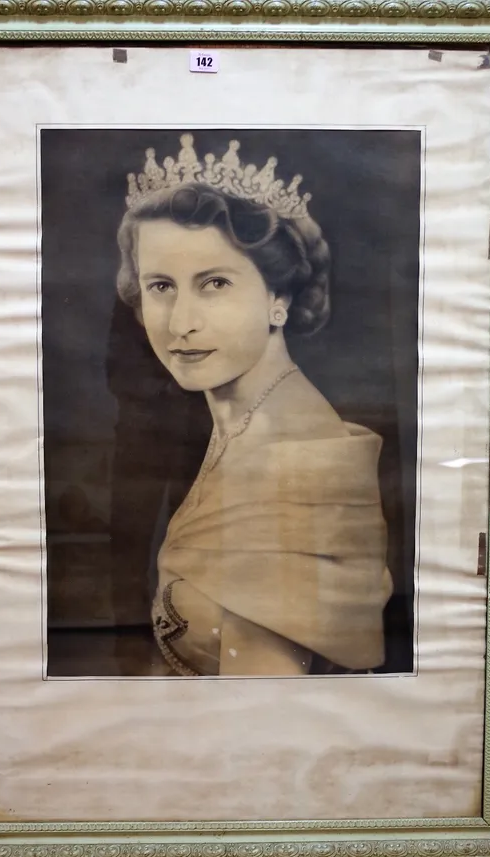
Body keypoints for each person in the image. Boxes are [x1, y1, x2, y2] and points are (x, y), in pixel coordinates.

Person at [116, 133, 393, 677]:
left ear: (278, 298)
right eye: (161, 286)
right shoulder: (240, 424)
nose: (180, 322)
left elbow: (263, 715)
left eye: (214, 283)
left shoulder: (299, 460)